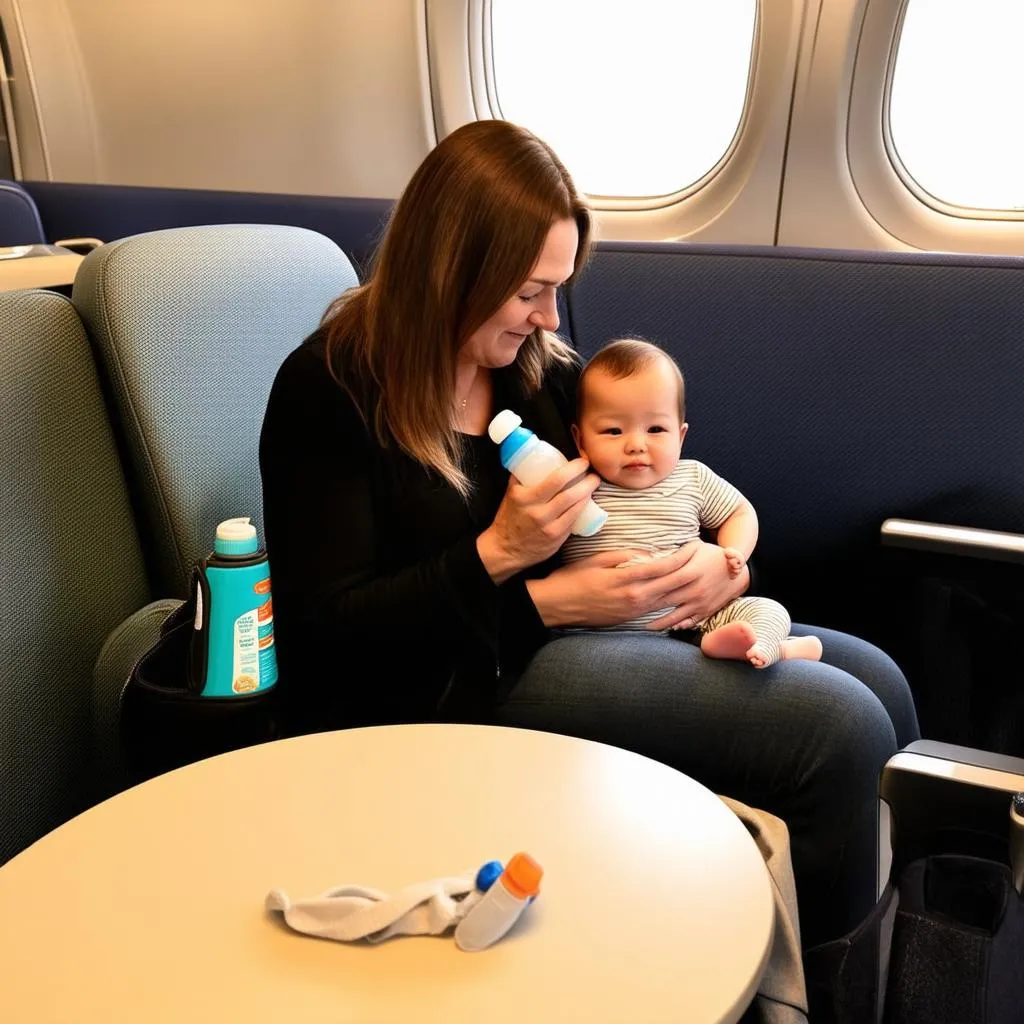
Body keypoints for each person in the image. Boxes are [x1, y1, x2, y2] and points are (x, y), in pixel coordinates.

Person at [258, 118, 920, 951]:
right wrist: (512, 568)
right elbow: (327, 635)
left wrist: (722, 567)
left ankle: (897, 949)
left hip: (603, 629)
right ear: (450, 272)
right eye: (531, 290)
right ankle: (812, 995)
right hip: (459, 679)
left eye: (559, 289)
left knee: (879, 681)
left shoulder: (539, 372)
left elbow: (661, 482)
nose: (549, 317)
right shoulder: (328, 389)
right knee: (841, 730)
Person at [562, 338, 823, 669]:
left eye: (656, 429)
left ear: (681, 436)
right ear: (580, 439)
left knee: (769, 610)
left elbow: (739, 512)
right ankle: (779, 649)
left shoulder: (692, 478)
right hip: (595, 633)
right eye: (614, 431)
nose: (636, 445)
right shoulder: (575, 485)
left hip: (694, 622)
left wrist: (734, 554)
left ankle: (765, 645)